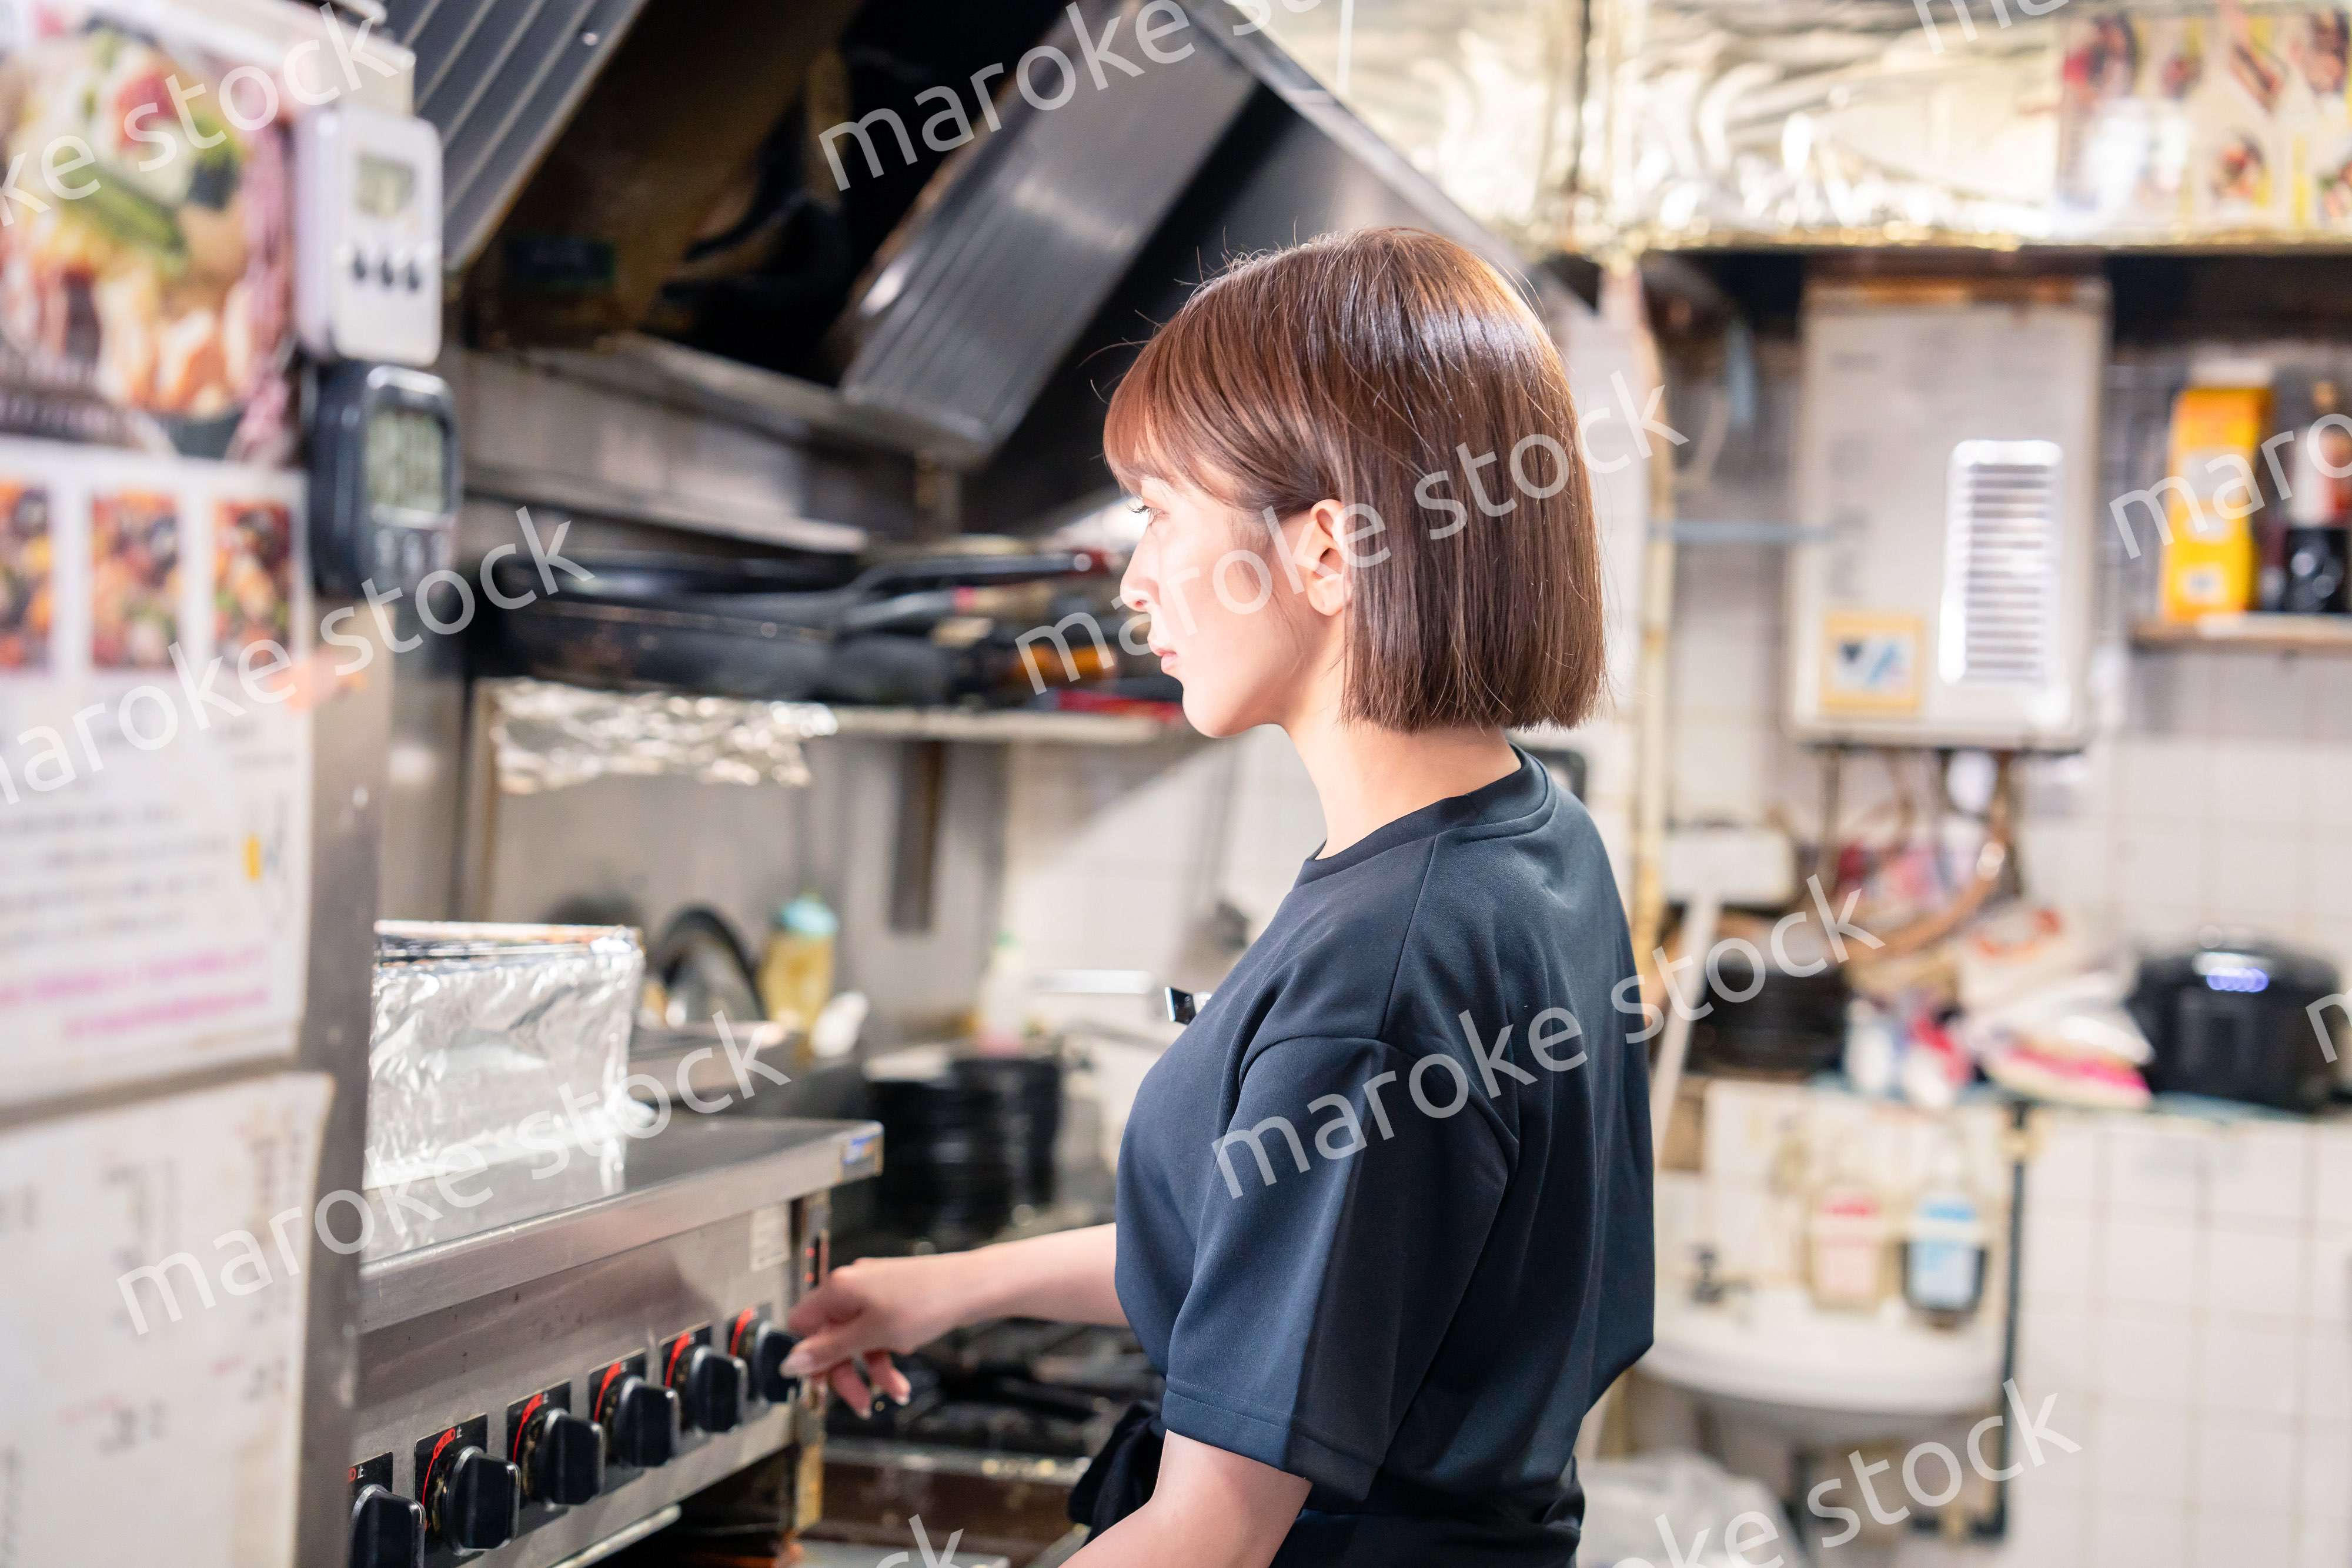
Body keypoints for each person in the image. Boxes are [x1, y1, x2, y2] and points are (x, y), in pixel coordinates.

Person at [784, 227, 1653, 1567]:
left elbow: (1208, 1538)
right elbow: (1283, 1245)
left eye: (1159, 512)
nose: (1135, 582)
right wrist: (955, 1284)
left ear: (1325, 553)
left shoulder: (1380, 972)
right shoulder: (1533, 842)